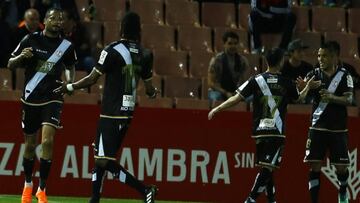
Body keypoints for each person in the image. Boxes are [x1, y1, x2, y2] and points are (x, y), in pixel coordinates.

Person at [54, 11, 158, 203]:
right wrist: (152, 93)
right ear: (138, 30)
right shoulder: (145, 54)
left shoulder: (112, 50)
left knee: (103, 160)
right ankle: (94, 199)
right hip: (127, 114)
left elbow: (93, 78)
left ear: (121, 28)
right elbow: (150, 89)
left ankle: (144, 190)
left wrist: (70, 86)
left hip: (110, 112)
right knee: (102, 156)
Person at [208, 48, 317, 203]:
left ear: (266, 61)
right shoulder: (286, 82)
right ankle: (250, 200)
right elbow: (299, 99)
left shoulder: (256, 80)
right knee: (267, 168)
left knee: (268, 168)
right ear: (280, 62)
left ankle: (272, 200)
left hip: (260, 131)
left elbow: (236, 98)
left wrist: (217, 108)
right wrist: (307, 87)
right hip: (276, 132)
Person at [7, 8, 76, 203]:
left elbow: (70, 66)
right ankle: (28, 184)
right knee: (30, 146)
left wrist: (69, 82)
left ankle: (42, 189)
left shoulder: (67, 46)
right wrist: (21, 58)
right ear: (45, 21)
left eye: (60, 19)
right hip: (30, 97)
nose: (57, 21)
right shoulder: (30, 40)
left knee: (47, 142)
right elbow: (10, 64)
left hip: (53, 97)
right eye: (53, 18)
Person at [302, 42, 354, 203]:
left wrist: (332, 98)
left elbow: (349, 99)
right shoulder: (313, 74)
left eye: (324, 55)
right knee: (315, 166)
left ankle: (343, 193)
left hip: (338, 129)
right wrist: (305, 88)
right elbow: (300, 96)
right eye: (319, 55)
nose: (320, 59)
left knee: (341, 169)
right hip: (317, 128)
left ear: (334, 56)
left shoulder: (346, 75)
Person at [208, 31, 249, 107]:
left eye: (235, 43)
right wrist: (225, 93)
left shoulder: (243, 61)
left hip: (235, 92)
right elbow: (211, 83)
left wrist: (238, 93)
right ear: (224, 44)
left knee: (251, 98)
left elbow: (244, 82)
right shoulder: (216, 60)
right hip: (218, 91)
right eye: (230, 43)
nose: (233, 46)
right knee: (216, 97)